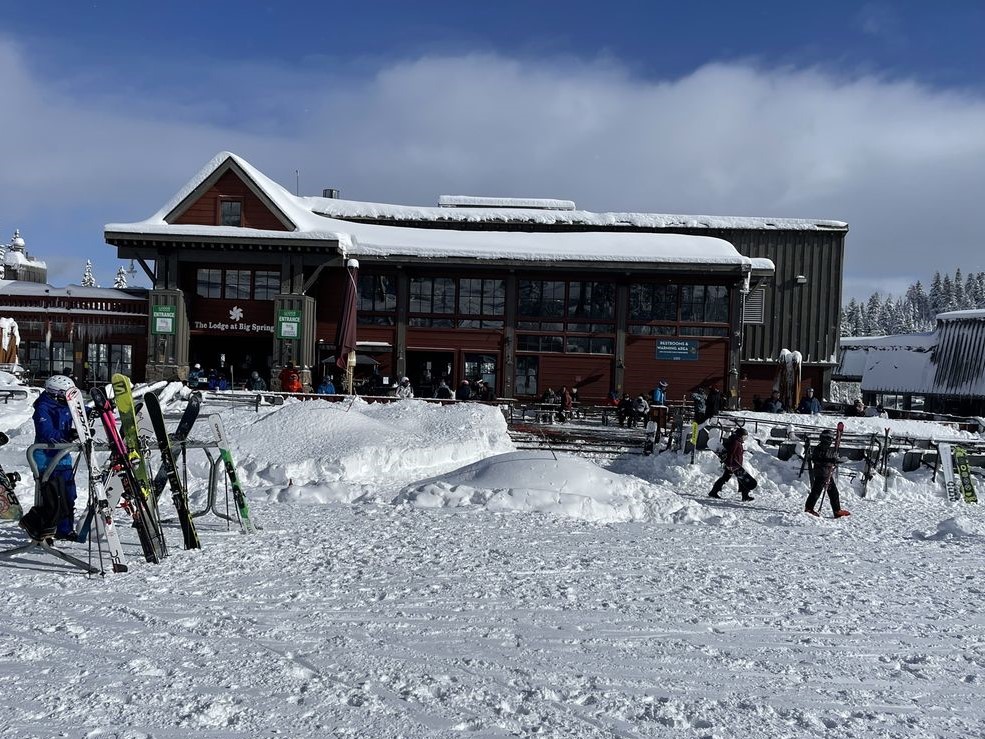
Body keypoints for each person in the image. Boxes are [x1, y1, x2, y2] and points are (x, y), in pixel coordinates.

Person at [19, 375, 79, 541]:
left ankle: (65, 530)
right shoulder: (43, 408)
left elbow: (80, 410)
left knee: (69, 494)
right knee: (53, 497)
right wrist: (68, 434)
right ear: (56, 393)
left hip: (63, 458)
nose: (68, 398)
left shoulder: (65, 405)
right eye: (65, 394)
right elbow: (46, 433)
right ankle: (42, 527)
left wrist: (93, 411)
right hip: (46, 460)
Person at [805, 429, 851, 518]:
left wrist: (835, 460)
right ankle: (809, 508)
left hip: (827, 473)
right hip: (821, 473)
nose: (831, 441)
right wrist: (830, 460)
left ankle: (837, 510)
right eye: (830, 439)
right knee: (816, 491)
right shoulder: (819, 448)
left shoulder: (828, 449)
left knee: (833, 492)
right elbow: (817, 460)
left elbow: (830, 459)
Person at [708, 428, 757, 502]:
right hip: (733, 464)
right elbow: (731, 453)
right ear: (740, 436)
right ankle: (714, 492)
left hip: (735, 464)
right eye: (744, 436)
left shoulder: (737, 441)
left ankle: (714, 491)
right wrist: (730, 465)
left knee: (738, 478)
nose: (745, 438)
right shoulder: (735, 442)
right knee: (741, 478)